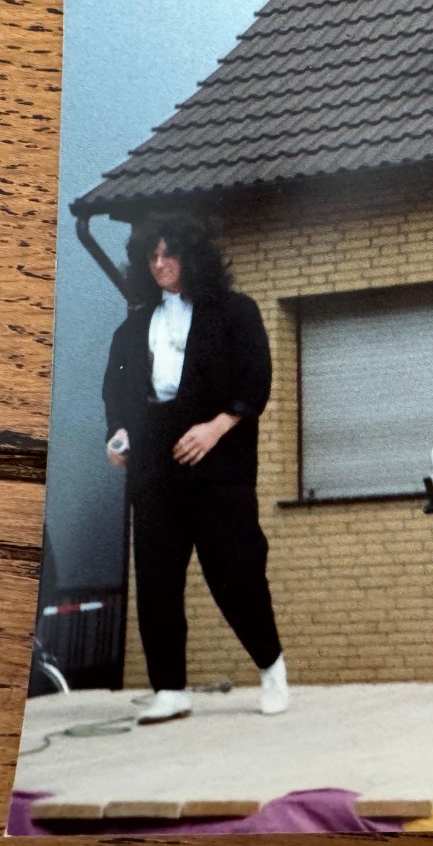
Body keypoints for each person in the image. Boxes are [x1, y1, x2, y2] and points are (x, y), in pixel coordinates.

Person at [103, 212, 287, 724]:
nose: (160, 264)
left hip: (217, 459)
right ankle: (170, 689)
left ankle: (272, 668)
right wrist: (118, 434)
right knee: (156, 577)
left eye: (170, 254)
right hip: (154, 464)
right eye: (152, 256)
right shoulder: (134, 326)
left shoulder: (235, 312)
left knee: (234, 570)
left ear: (193, 256)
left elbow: (255, 380)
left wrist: (215, 428)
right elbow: (117, 392)